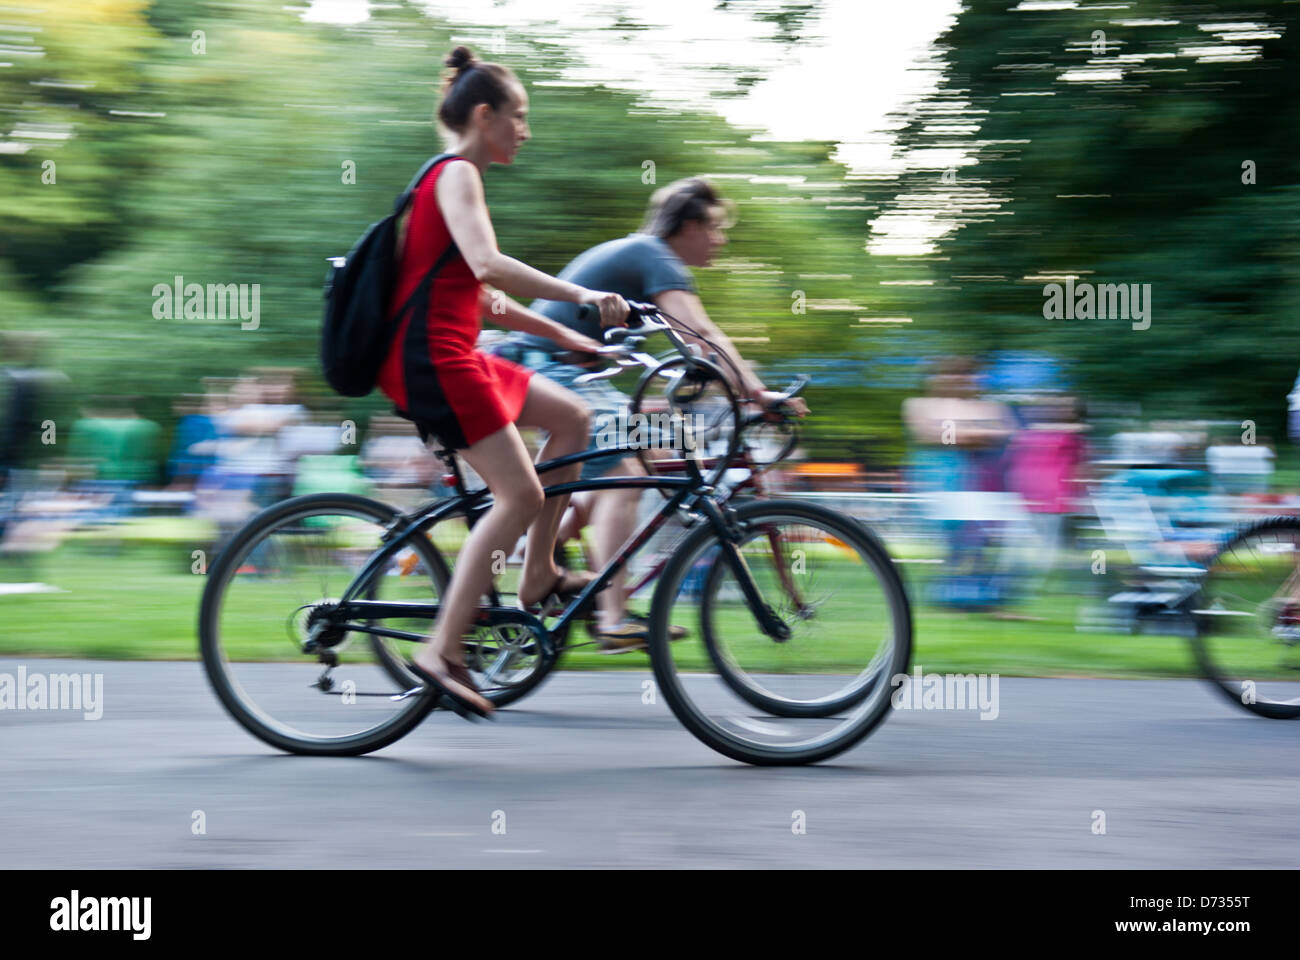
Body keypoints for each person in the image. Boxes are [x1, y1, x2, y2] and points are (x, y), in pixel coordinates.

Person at [376, 45, 629, 717]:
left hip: (457, 348)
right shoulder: (457, 174)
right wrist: (581, 294)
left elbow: (474, 294)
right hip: (433, 360)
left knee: (574, 418)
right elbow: (487, 265)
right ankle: (441, 650)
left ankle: (537, 572)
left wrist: (562, 333)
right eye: (519, 116)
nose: (525, 129)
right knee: (517, 496)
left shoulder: (452, 183)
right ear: (484, 116)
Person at [492, 177, 809, 649]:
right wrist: (758, 394)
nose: (721, 240)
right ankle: (612, 617)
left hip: (555, 369)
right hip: (548, 367)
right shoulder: (655, 256)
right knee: (627, 473)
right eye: (716, 228)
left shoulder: (646, 258)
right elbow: (703, 334)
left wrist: (720, 392)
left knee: (646, 449)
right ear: (689, 225)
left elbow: (687, 348)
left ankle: (547, 550)